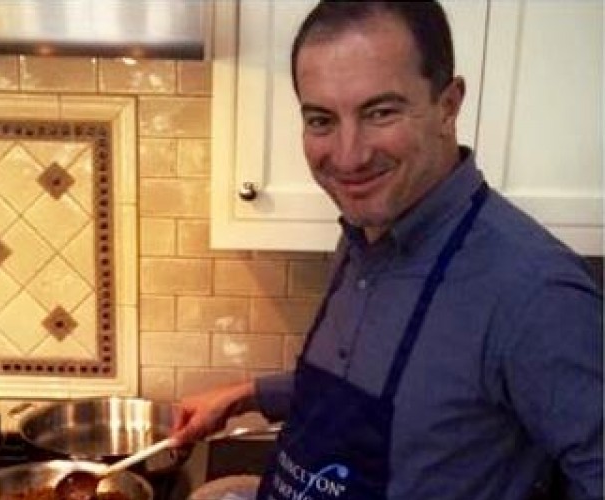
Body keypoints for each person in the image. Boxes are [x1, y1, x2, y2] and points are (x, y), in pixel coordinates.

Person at [171, 1, 603, 499]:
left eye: (380, 112)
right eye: (321, 120)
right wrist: (247, 395)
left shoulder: (537, 293)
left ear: (449, 104)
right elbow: (402, 394)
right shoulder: (364, 232)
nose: (349, 156)